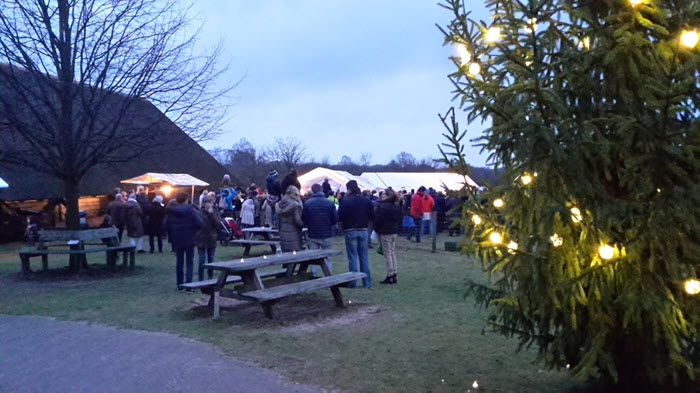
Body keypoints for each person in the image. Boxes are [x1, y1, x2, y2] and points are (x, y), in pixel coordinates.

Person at [337, 180, 374, 288]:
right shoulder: (366, 201)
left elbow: (340, 216)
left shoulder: (345, 201)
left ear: (349, 189)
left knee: (352, 257)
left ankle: (353, 282)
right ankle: (366, 282)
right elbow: (372, 215)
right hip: (363, 230)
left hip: (350, 230)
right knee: (364, 257)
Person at [164, 192, 203, 291]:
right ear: (186, 200)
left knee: (179, 262)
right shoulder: (191, 211)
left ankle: (179, 284)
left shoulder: (171, 212)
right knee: (189, 262)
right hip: (190, 238)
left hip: (177, 239)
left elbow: (165, 226)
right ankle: (189, 285)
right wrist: (193, 230)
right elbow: (200, 223)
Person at [302, 183, 338, 277]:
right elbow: (335, 219)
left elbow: (304, 219)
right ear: (321, 189)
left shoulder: (308, 203)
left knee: (313, 257)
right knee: (328, 257)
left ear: (312, 191)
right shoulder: (330, 203)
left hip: (312, 233)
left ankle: (314, 275)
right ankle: (329, 276)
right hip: (326, 233)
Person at [374, 188, 403, 284]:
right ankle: (394, 272)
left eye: (383, 194)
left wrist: (377, 229)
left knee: (387, 254)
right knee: (392, 252)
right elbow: (399, 218)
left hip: (385, 232)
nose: (381, 195)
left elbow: (379, 219)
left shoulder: (382, 206)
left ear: (386, 195)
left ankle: (390, 274)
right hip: (394, 231)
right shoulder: (396, 205)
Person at [195, 195, 220, 281]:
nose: (211, 205)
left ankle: (210, 277)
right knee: (202, 260)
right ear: (205, 204)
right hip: (201, 238)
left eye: (212, 203)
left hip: (211, 238)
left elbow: (217, 224)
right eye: (209, 203)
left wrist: (211, 214)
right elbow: (200, 224)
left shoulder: (215, 212)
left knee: (211, 259)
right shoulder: (199, 213)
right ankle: (201, 278)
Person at [275, 185, 305, 252]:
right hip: (294, 233)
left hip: (283, 233)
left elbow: (277, 222)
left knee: (286, 253)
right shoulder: (295, 205)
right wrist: (304, 224)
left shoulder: (279, 204)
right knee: (296, 254)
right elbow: (298, 221)